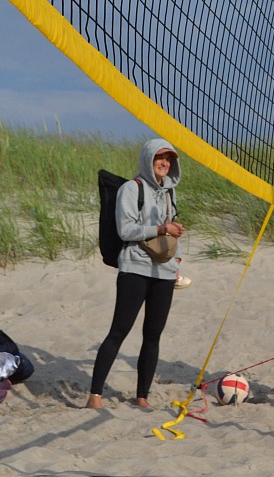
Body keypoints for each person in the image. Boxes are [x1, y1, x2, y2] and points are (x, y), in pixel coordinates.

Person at [85, 138, 186, 409]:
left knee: (153, 335)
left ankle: (142, 397)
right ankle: (95, 395)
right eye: (160, 158)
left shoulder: (169, 192)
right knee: (119, 330)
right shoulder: (132, 188)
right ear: (148, 159)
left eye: (169, 159)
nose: (165, 163)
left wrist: (176, 260)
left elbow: (171, 231)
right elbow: (126, 230)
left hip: (164, 271)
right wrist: (162, 229)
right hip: (135, 267)